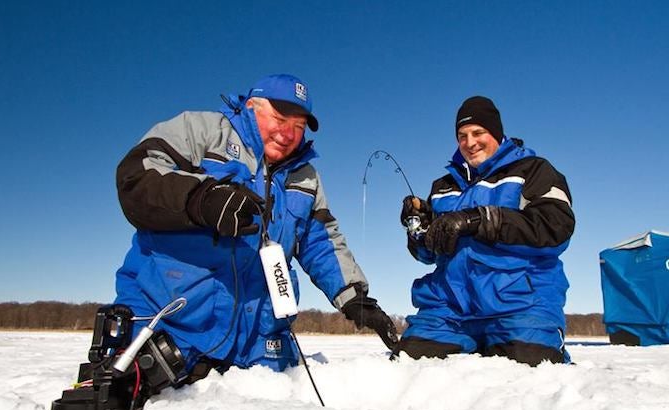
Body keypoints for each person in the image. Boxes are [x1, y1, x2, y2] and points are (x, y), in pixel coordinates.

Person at [114, 73, 398, 378]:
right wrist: (201, 198)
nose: (289, 134)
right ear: (251, 106)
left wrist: (354, 298)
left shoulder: (306, 177)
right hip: (172, 329)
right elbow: (136, 177)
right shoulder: (201, 130)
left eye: (299, 126)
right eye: (280, 118)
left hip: (261, 345)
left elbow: (320, 242)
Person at [396, 96, 575, 366]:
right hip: (450, 310)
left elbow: (556, 228)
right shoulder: (443, 186)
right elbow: (427, 254)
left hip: (520, 307)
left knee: (528, 373)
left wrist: (479, 220)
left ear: (496, 132)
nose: (470, 142)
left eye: (478, 132)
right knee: (409, 365)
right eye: (462, 135)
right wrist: (417, 227)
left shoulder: (534, 170)